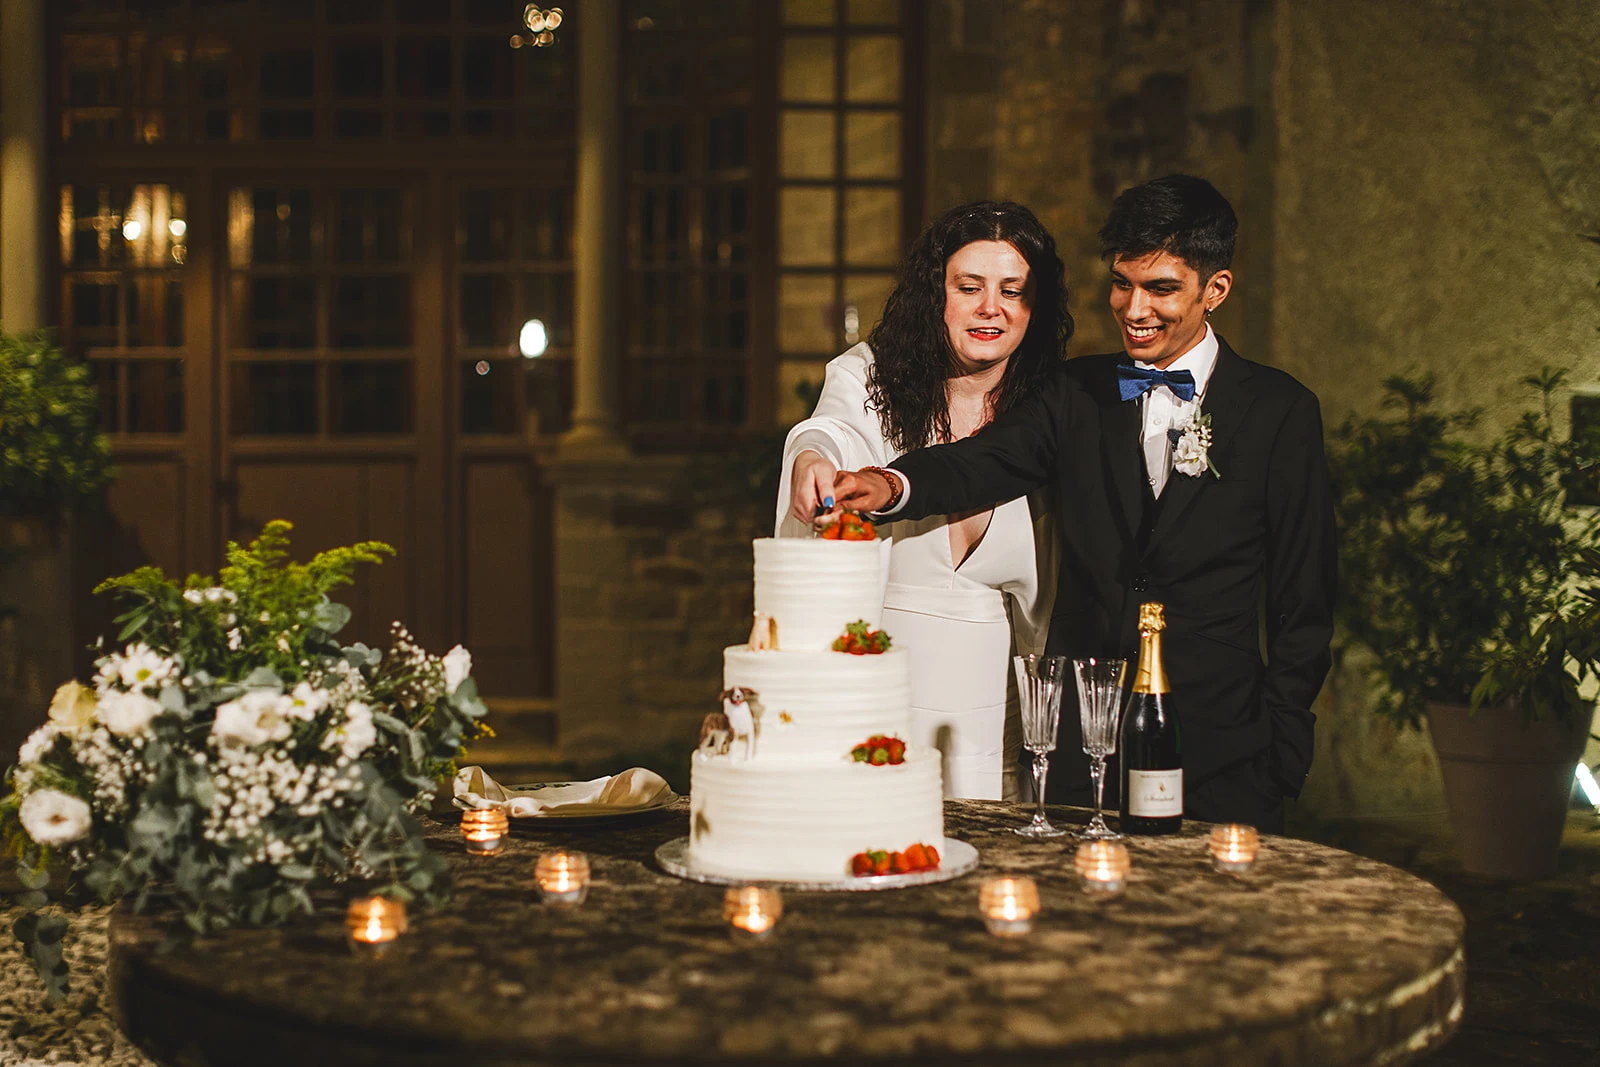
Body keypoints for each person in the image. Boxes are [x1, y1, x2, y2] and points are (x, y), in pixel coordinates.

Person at [828, 175, 1336, 833]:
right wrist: (896, 486)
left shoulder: (1280, 412)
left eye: (1161, 289)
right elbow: (985, 461)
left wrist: (1282, 755)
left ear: (1217, 290)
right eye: (1123, 283)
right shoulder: (1077, 392)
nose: (1133, 307)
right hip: (1082, 756)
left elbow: (1305, 598)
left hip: (1223, 753)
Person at [778, 201, 1073, 801]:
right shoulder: (870, 378)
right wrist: (813, 459)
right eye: (969, 287)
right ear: (935, 293)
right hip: (877, 687)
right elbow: (831, 429)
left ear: (1033, 307)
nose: (990, 308)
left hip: (999, 705)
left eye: (1012, 291)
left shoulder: (1050, 411)